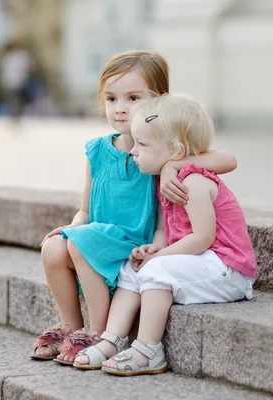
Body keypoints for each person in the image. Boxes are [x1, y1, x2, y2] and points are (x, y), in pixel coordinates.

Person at [30, 51, 239, 365]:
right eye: (111, 99)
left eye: (133, 98)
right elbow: (85, 211)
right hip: (96, 238)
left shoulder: (159, 153)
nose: (120, 108)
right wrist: (73, 227)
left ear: (159, 102)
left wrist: (173, 166)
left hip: (130, 245)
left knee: (79, 244)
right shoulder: (97, 150)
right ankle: (71, 325)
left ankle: (98, 333)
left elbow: (227, 160)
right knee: (54, 247)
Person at [73, 93, 257, 376]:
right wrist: (153, 249)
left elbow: (202, 239)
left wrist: (159, 256)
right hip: (199, 262)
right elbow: (168, 233)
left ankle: (148, 350)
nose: (133, 151)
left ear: (176, 151)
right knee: (130, 268)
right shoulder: (165, 179)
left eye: (142, 144)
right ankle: (112, 340)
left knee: (155, 269)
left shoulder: (193, 183)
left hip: (228, 269)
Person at [0, 39, 33, 123]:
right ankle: (14, 116)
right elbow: (2, 69)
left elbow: (30, 66)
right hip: (9, 81)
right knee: (12, 100)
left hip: (19, 82)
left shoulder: (23, 55)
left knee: (17, 100)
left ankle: (16, 116)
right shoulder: (8, 56)